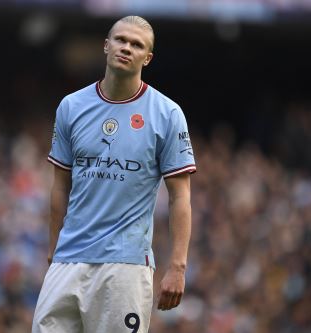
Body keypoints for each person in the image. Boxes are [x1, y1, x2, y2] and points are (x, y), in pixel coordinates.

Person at [32, 15, 196, 333]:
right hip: (68, 260)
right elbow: (59, 186)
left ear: (147, 58)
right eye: (121, 40)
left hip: (126, 265)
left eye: (137, 45)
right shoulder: (71, 106)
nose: (126, 48)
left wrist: (178, 266)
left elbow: (180, 196)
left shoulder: (167, 114)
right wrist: (54, 252)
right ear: (106, 46)